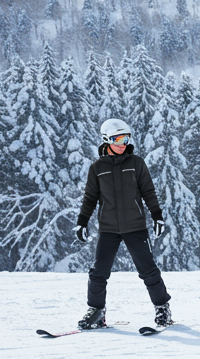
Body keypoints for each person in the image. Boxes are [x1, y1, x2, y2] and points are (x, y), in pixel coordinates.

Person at [73, 119, 172, 331]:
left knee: (148, 271)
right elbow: (90, 198)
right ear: (107, 140)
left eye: (126, 138)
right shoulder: (97, 168)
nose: (123, 143)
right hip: (108, 228)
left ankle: (162, 308)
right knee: (98, 272)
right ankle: (96, 312)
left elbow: (149, 192)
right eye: (118, 139)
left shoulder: (136, 163)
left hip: (135, 226)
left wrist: (157, 216)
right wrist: (82, 222)